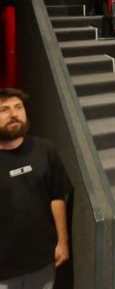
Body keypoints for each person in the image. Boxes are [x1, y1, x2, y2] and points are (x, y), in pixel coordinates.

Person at [0, 89, 71, 288]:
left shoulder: (45, 149)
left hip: (43, 262)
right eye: (4, 110)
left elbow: (57, 197)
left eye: (18, 107)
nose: (14, 114)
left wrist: (63, 242)